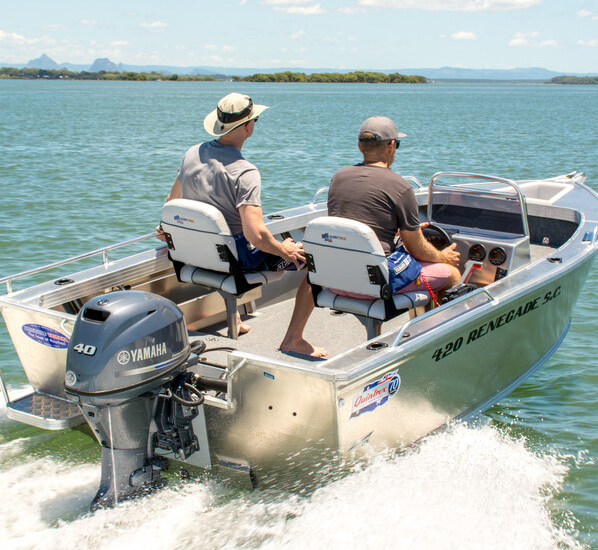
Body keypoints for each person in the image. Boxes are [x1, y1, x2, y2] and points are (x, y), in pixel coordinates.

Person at [166, 92, 326, 358]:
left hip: (194, 253)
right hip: (234, 258)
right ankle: (293, 339)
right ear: (249, 127)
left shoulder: (192, 153)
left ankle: (236, 320)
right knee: (313, 259)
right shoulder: (245, 171)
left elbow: (172, 203)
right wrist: (284, 251)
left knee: (228, 240)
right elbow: (256, 234)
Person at [326, 115, 461, 301]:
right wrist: (443, 257)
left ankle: (375, 329)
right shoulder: (401, 187)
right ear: (391, 146)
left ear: (360, 147)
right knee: (452, 273)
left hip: (336, 279)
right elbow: (418, 250)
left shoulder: (338, 178)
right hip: (375, 284)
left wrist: (397, 231)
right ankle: (428, 328)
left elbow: (352, 229)